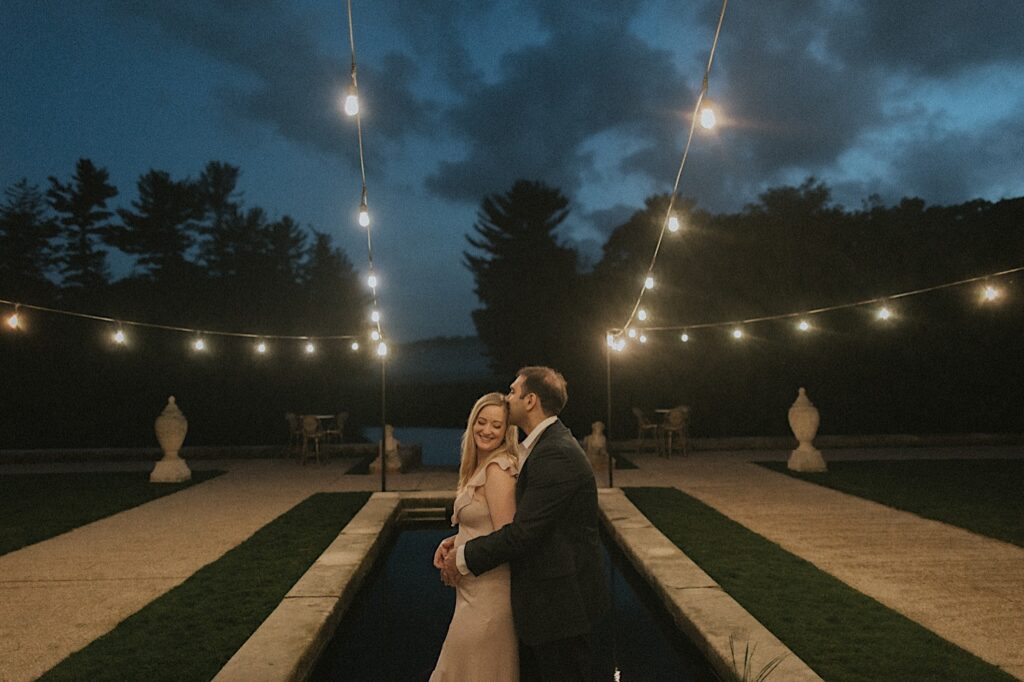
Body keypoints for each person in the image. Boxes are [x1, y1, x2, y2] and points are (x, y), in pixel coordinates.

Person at [436, 367, 610, 681]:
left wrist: (461, 558)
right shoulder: (542, 447)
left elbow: (522, 532)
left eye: (513, 391)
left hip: (560, 606)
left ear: (530, 401)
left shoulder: (556, 452)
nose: (508, 396)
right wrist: (456, 542)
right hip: (544, 603)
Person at [430, 392, 521, 681]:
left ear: (507, 431)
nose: (487, 430)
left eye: (496, 425)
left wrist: (462, 556)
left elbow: (507, 538)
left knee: (471, 671)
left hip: (489, 598)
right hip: (469, 591)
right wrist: (453, 542)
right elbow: (482, 527)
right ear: (472, 424)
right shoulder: (478, 468)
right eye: (481, 422)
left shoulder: (498, 470)